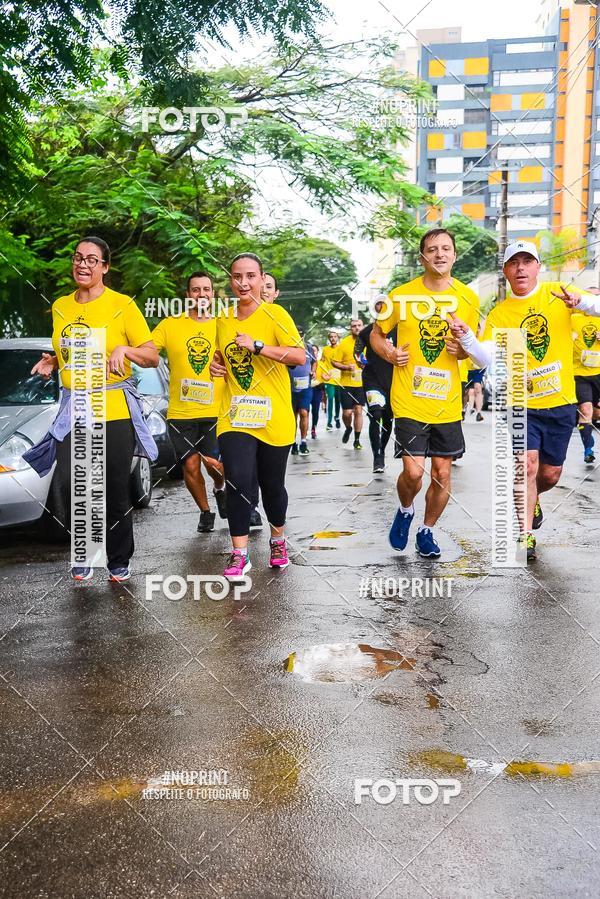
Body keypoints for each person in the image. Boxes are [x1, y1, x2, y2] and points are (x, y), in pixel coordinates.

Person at [451, 240, 600, 561]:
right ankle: (524, 535)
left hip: (560, 401)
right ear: (505, 271)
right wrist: (466, 337)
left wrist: (582, 303)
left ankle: (534, 499)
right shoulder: (500, 313)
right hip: (519, 402)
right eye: (513, 263)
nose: (520, 268)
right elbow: (485, 357)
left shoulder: (558, 295)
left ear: (537, 267)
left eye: (527, 261)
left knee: (549, 475)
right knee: (526, 465)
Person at [27, 236, 159, 581]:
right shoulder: (60, 306)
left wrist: (126, 352)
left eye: (91, 259)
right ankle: (86, 553)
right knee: (78, 484)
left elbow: (151, 355)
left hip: (113, 407)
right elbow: (75, 346)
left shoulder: (122, 305)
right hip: (76, 408)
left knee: (114, 486)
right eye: (77, 258)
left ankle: (117, 559)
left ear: (104, 267)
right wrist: (55, 361)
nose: (82, 265)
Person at [371, 228, 480, 559]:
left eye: (446, 248)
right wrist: (389, 354)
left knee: (443, 474)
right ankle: (406, 509)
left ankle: (427, 531)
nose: (440, 254)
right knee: (414, 472)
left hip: (447, 402)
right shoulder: (401, 295)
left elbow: (473, 348)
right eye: (432, 249)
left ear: (455, 255)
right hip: (409, 399)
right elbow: (377, 334)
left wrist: (462, 352)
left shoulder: (468, 298)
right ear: (422, 258)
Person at [210, 252, 305, 577]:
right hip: (235, 415)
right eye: (237, 276)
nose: (244, 283)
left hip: (274, 416)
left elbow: (299, 356)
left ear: (262, 279)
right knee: (238, 481)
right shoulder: (223, 320)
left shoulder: (276, 314)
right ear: (231, 281)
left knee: (272, 485)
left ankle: (277, 539)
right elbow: (219, 358)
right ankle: (239, 553)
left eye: (250, 276)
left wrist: (259, 346)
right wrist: (215, 365)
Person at [151, 272, 227, 532]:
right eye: (196, 290)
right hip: (181, 412)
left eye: (206, 289)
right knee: (191, 464)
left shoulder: (222, 324)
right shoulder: (171, 324)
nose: (202, 294)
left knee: (215, 464)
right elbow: (147, 348)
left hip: (216, 409)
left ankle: (220, 487)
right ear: (188, 295)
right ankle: (206, 512)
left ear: (213, 294)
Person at [355, 298, 396, 473]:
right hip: (372, 379)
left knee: (387, 419)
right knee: (376, 413)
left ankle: (382, 450)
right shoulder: (365, 332)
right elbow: (357, 352)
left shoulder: (398, 330)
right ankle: (377, 457)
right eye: (378, 310)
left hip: (394, 380)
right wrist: (360, 360)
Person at [571, 309, 600, 463]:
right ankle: (588, 449)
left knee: (596, 414)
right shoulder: (573, 317)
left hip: (599, 373)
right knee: (585, 411)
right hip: (579, 374)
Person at [332, 319, 365, 450]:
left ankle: (357, 439)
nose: (356, 328)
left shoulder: (368, 341)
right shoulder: (344, 343)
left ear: (363, 327)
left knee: (358, 410)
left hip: (361, 383)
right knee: (347, 413)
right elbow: (334, 362)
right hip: (346, 383)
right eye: (354, 326)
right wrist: (345, 367)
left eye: (359, 326)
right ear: (350, 328)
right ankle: (348, 428)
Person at [289, 326, 315, 456]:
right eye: (296, 334)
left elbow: (314, 361)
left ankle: (303, 442)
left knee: (304, 413)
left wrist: (313, 371)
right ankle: (293, 442)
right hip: (290, 388)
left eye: (300, 334)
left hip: (306, 387)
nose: (298, 336)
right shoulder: (287, 347)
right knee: (292, 416)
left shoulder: (309, 348)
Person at [320, 330, 341, 430]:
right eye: (331, 337)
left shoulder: (341, 349)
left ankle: (337, 417)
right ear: (329, 338)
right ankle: (329, 422)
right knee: (330, 398)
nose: (333, 338)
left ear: (338, 338)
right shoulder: (325, 349)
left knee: (338, 400)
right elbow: (322, 362)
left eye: (335, 337)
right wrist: (322, 373)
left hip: (340, 379)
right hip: (329, 379)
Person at [309, 343, 326, 439]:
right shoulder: (305, 362)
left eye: (314, 350)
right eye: (311, 350)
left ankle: (313, 428)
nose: (313, 352)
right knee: (304, 411)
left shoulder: (322, 364)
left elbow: (327, 377)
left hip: (317, 389)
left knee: (315, 411)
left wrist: (326, 377)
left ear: (317, 352)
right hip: (307, 388)